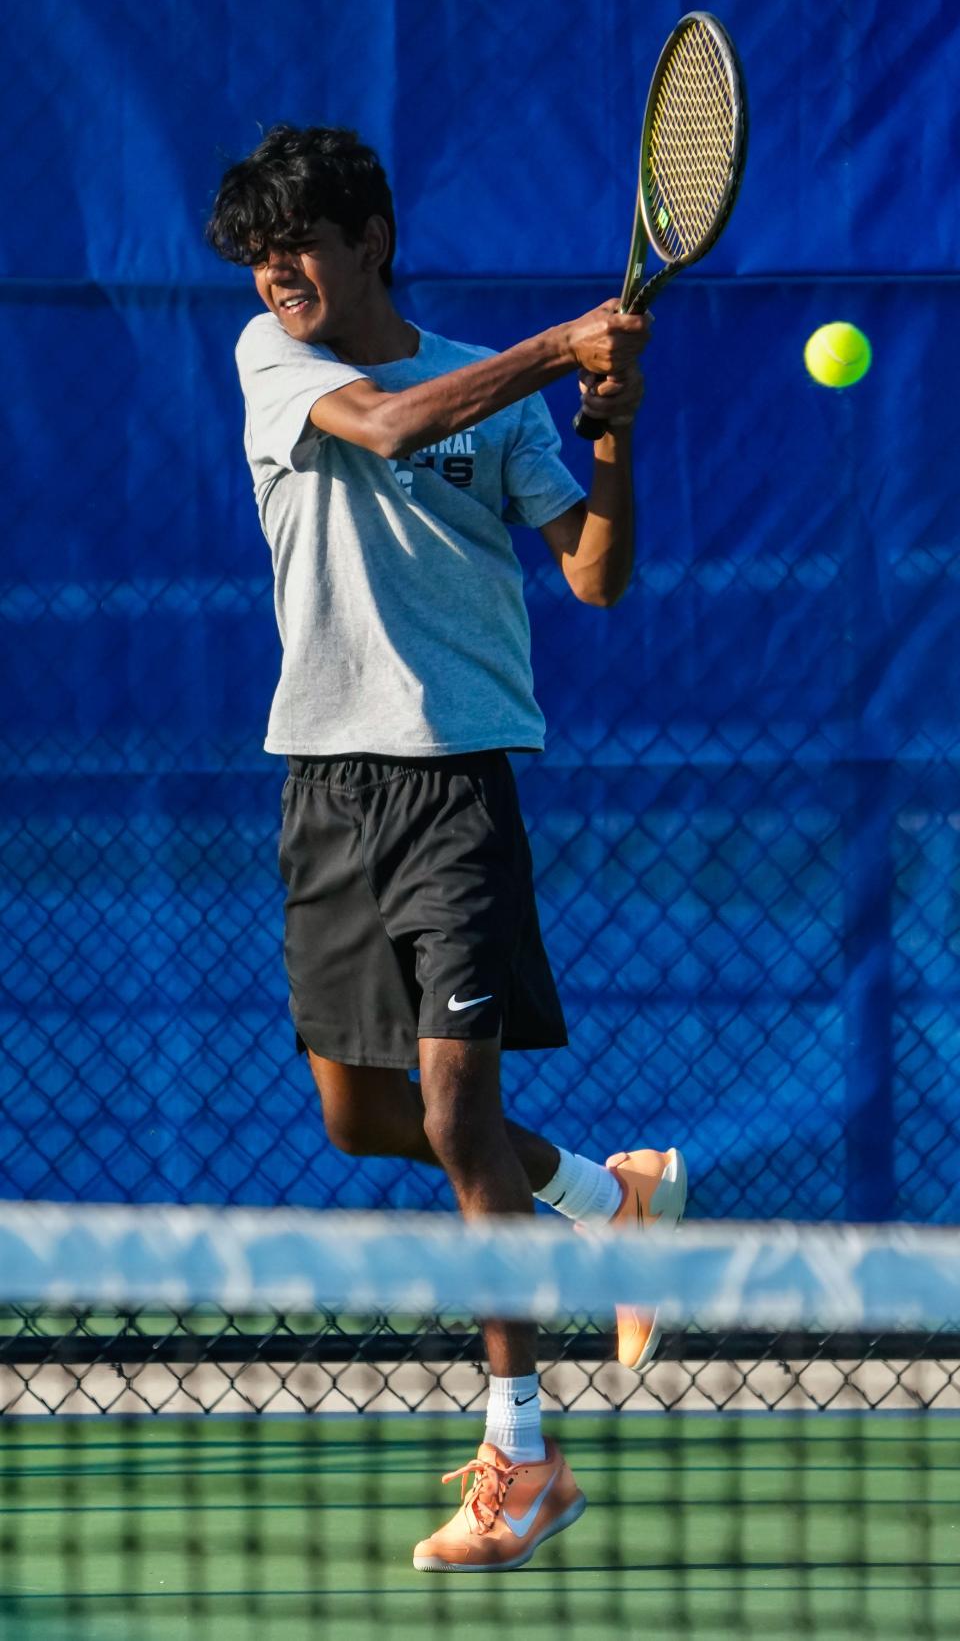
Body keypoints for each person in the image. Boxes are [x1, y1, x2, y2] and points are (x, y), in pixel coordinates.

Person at [206, 123, 686, 1572]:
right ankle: (616, 1197)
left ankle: (522, 1457)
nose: (276, 268)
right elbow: (396, 426)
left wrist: (611, 423)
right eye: (258, 249)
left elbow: (593, 575)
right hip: (324, 787)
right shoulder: (275, 364)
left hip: (456, 789)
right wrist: (561, 349)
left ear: (370, 237)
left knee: (460, 1114)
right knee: (366, 1120)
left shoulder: (500, 390)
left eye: (299, 239)